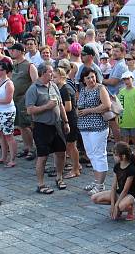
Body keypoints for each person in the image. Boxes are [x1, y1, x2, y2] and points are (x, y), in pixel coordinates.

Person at [27, 62, 70, 193]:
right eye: (50, 71)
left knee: (61, 152)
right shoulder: (33, 89)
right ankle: (40, 184)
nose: (53, 74)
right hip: (42, 126)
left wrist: (66, 121)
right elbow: (29, 110)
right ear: (42, 73)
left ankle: (59, 177)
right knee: (43, 156)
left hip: (57, 124)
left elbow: (61, 104)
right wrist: (46, 106)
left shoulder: (53, 86)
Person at [77, 68, 112, 195]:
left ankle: (100, 185)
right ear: (83, 80)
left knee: (99, 154)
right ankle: (97, 180)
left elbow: (107, 105)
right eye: (88, 78)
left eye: (93, 77)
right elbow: (80, 105)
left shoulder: (100, 88)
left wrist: (88, 110)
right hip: (84, 126)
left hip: (98, 126)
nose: (91, 80)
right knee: (91, 154)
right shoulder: (83, 90)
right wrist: (79, 111)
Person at [90, 142, 135, 222]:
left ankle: (130, 209)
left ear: (123, 156)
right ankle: (119, 206)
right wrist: (112, 205)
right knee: (94, 198)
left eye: (115, 155)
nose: (113, 157)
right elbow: (114, 186)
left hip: (131, 194)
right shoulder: (117, 166)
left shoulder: (131, 168)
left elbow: (125, 190)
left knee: (121, 206)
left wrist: (116, 206)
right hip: (120, 191)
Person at [9, 43, 38, 160]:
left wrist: (28, 97)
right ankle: (26, 147)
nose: (11, 52)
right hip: (15, 99)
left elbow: (35, 83)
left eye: (14, 50)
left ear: (21, 51)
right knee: (20, 126)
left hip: (24, 100)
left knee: (26, 125)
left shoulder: (29, 65)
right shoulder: (15, 65)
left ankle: (32, 148)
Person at [118, 71, 135, 160]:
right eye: (124, 79)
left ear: (132, 79)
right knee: (125, 140)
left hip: (134, 119)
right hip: (124, 119)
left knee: (134, 138)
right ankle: (127, 156)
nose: (126, 81)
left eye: (128, 79)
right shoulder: (121, 91)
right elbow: (119, 105)